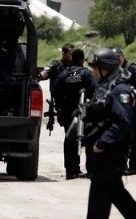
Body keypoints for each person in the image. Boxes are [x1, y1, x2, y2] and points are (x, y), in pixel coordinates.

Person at [83, 48, 136, 219]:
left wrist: (102, 142)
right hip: (104, 155)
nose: (93, 72)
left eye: (95, 68)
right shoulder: (105, 88)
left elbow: (123, 121)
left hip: (111, 154)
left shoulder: (120, 91)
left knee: (100, 196)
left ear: (105, 69)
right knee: (117, 195)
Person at [52, 49, 96, 179]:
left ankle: (71, 171)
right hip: (84, 112)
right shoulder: (87, 74)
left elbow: (55, 91)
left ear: (72, 58)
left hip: (68, 112)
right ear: (82, 60)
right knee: (89, 139)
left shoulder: (64, 73)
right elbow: (95, 88)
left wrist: (61, 106)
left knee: (70, 139)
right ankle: (91, 171)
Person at [112, 47, 136, 176]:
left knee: (134, 137)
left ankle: (134, 166)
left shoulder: (132, 68)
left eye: (118, 58)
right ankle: (122, 165)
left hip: (132, 107)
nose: (116, 61)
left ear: (123, 56)